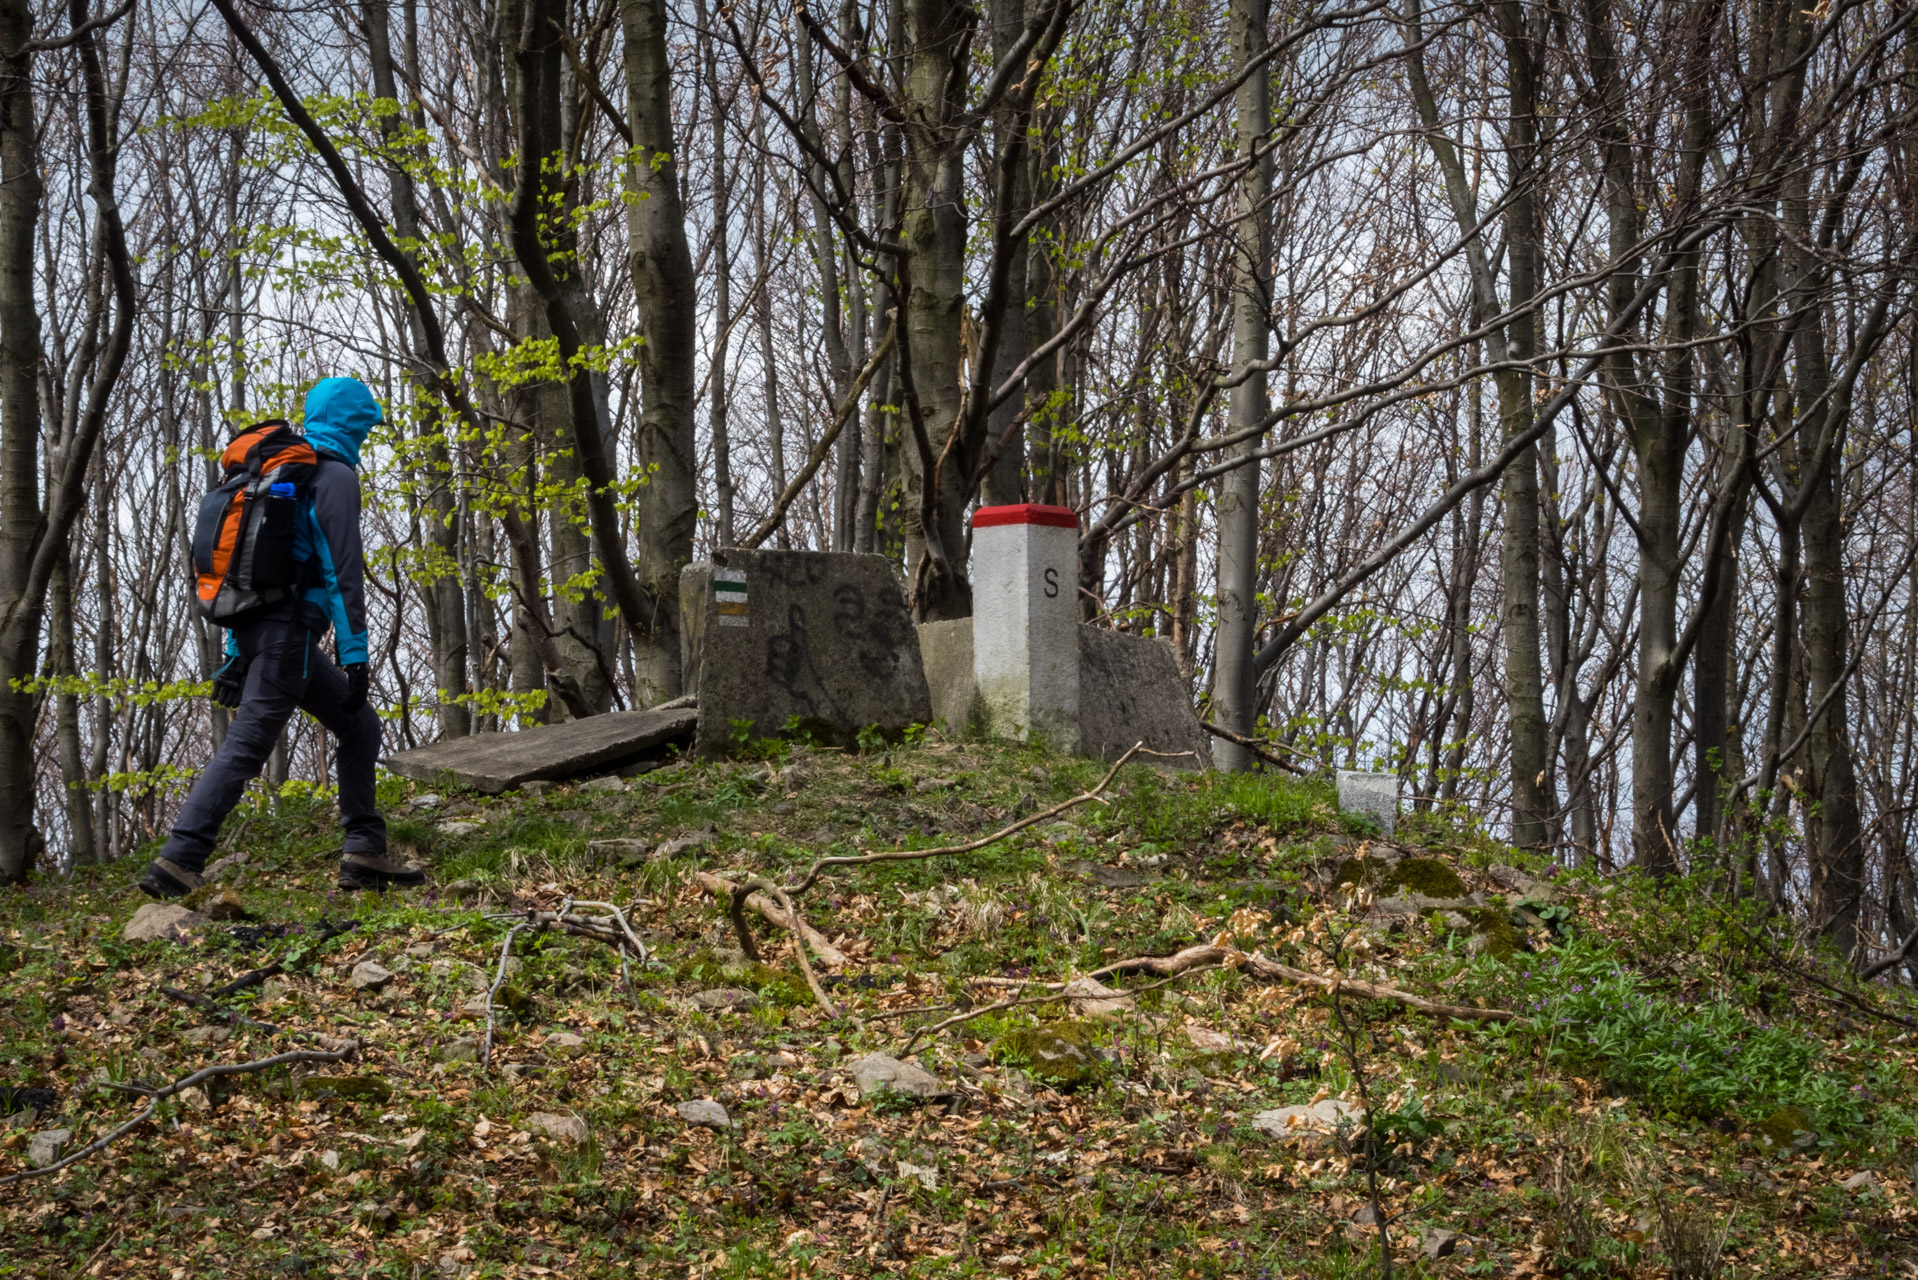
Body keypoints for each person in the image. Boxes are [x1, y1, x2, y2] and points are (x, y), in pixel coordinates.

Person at [138, 377, 425, 897]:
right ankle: (178, 861)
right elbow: (343, 571)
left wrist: (234, 654)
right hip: (287, 638)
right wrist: (355, 654)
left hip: (260, 633)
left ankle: (364, 852)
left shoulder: (277, 474)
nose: (367, 434)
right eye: (366, 424)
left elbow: (250, 576)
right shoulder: (333, 476)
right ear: (353, 423)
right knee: (248, 745)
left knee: (359, 725)